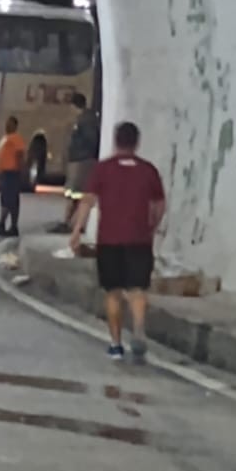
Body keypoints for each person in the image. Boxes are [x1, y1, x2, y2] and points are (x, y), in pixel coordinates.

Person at [70, 121, 166, 362]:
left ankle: (115, 344)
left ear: (115, 141)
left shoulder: (104, 170)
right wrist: (151, 227)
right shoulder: (148, 171)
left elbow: (87, 201)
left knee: (113, 293)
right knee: (137, 289)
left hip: (110, 241)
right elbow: (159, 205)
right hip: (139, 240)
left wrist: (76, 232)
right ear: (137, 142)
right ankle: (140, 329)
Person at [61, 93, 100, 231]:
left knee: (76, 192)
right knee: (72, 193)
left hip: (82, 161)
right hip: (77, 160)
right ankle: (68, 221)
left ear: (75, 105)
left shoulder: (86, 120)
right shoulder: (83, 119)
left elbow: (91, 140)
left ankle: (73, 223)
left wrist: (82, 152)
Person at [0, 116, 26, 237]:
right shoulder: (5, 139)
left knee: (11, 200)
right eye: (7, 123)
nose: (7, 126)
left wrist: (21, 171)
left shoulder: (16, 139)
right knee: (6, 200)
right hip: (4, 173)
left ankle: (12, 226)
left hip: (12, 173)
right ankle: (2, 224)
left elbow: (20, 155)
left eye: (10, 124)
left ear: (15, 126)